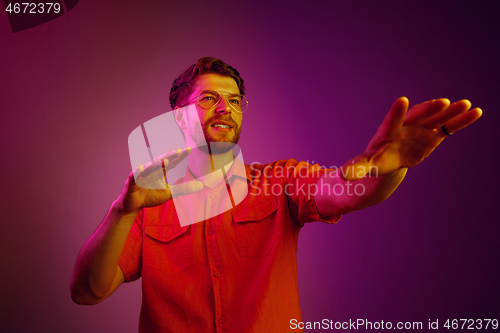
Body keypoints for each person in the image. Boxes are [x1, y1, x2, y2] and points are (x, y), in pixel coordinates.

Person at [70, 57, 482, 332]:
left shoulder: (281, 180)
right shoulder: (145, 201)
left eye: (234, 100)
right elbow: (87, 292)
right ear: (178, 117)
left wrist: (387, 169)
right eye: (209, 98)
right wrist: (122, 211)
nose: (224, 108)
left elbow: (346, 192)